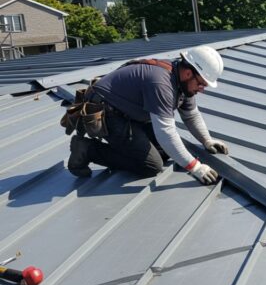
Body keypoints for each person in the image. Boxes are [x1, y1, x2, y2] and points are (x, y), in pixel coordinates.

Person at [67, 45, 229, 184]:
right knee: (151, 165)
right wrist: (195, 167)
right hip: (107, 112)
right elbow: (166, 132)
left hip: (127, 112)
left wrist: (206, 140)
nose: (202, 89)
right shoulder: (161, 83)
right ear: (188, 73)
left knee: (166, 151)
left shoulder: (182, 82)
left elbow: (191, 115)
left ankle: (125, 148)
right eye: (201, 84)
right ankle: (87, 149)